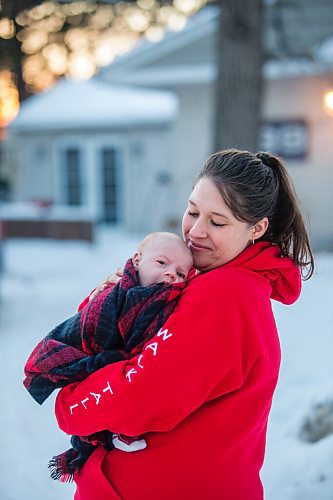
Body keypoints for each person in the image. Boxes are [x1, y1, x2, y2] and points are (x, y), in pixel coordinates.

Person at [54, 149, 313, 499]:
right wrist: (113, 297)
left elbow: (144, 393)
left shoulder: (225, 291)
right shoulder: (203, 278)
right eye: (192, 212)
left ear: (257, 228)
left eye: (217, 222)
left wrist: (71, 403)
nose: (196, 232)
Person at [23, 232, 193, 480]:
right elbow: (91, 320)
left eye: (180, 274)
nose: (171, 274)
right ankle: (105, 431)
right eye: (162, 263)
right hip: (95, 350)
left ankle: (114, 430)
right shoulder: (115, 289)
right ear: (137, 260)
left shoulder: (166, 298)